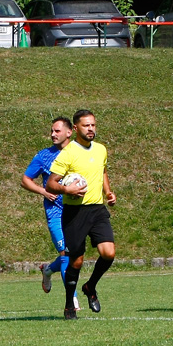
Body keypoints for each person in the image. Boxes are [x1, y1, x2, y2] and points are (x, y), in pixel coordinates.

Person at [45, 109, 117, 320]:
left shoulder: (101, 149)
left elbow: (103, 171)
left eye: (93, 125)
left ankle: (90, 286)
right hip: (75, 212)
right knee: (76, 261)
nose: (91, 129)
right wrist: (67, 190)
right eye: (86, 126)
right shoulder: (67, 154)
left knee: (108, 253)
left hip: (97, 209)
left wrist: (108, 192)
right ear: (75, 129)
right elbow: (51, 183)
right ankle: (69, 304)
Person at [21, 117, 78, 309]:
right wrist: (44, 191)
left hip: (77, 211)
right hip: (55, 212)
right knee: (65, 253)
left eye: (57, 131)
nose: (53, 134)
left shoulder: (79, 153)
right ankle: (73, 299)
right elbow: (26, 179)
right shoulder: (44, 156)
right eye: (51, 131)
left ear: (69, 132)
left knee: (73, 255)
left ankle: (47, 270)